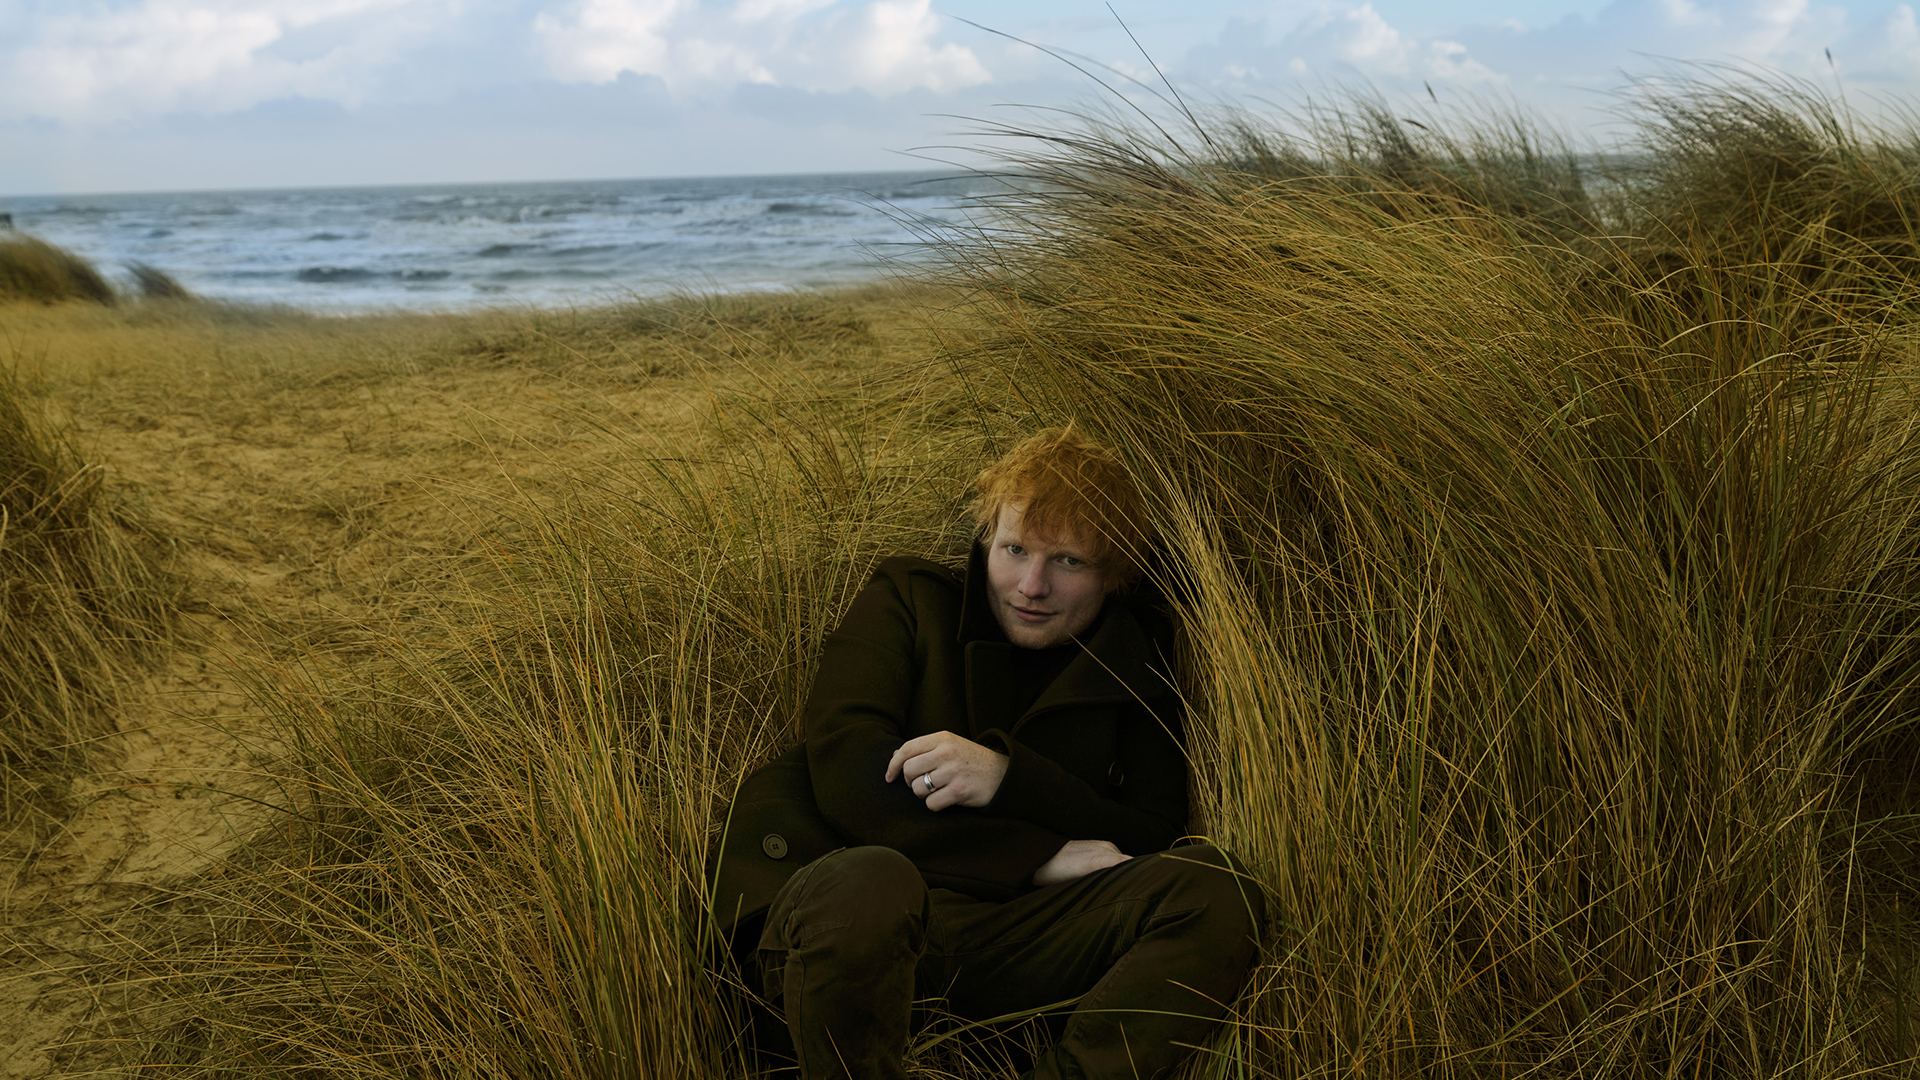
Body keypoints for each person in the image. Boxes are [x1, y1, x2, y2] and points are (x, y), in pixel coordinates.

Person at [710, 428, 1264, 1079]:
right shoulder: (909, 599)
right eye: (1015, 549)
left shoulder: (1134, 659)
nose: (1031, 585)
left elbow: (1149, 837)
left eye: (1068, 562)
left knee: (1216, 889)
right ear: (986, 539)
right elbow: (847, 771)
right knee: (871, 881)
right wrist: (1035, 858)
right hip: (842, 927)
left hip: (1008, 941)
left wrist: (1007, 777)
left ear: (1114, 574)